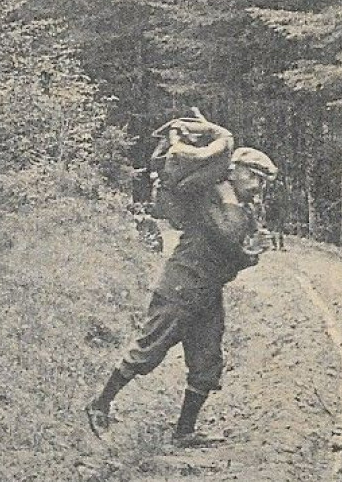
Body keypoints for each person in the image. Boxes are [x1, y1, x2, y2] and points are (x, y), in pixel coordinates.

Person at [86, 134, 280, 448]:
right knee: (148, 350)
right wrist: (243, 236)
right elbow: (228, 235)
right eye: (254, 176)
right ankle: (100, 404)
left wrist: (252, 254)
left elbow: (234, 256)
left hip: (207, 292)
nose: (258, 186)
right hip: (181, 285)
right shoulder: (212, 196)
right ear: (234, 171)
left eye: (262, 180)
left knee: (207, 363)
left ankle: (184, 431)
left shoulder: (241, 209)